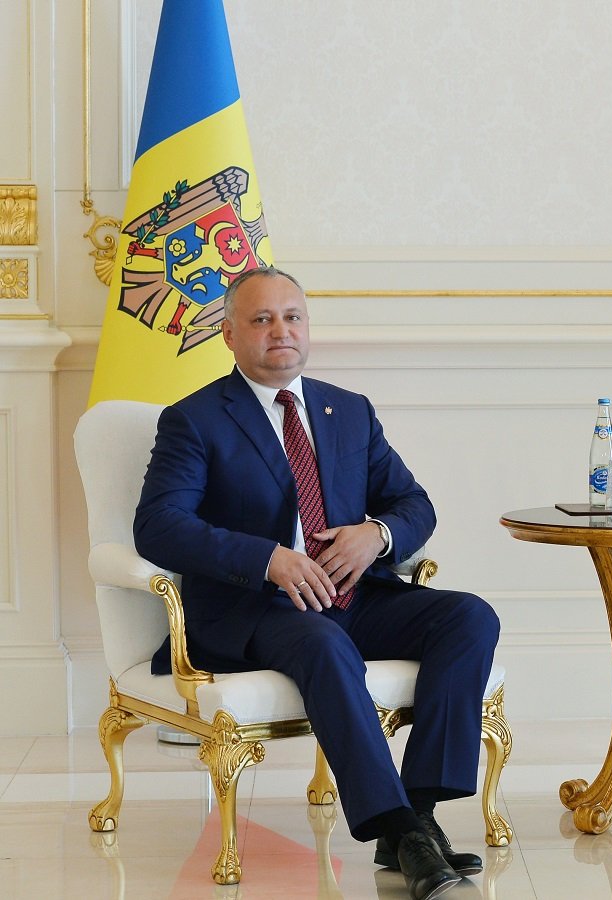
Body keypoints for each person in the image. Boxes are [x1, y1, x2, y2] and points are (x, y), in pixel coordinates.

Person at [134, 266, 499, 900]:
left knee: (469, 616)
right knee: (324, 644)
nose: (281, 330)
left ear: (307, 327)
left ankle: (416, 813)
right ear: (229, 335)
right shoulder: (194, 419)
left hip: (351, 596)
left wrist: (377, 534)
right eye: (262, 319)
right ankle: (398, 830)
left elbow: (414, 504)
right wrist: (266, 558)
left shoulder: (348, 411)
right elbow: (158, 526)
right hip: (256, 609)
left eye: (292, 317)